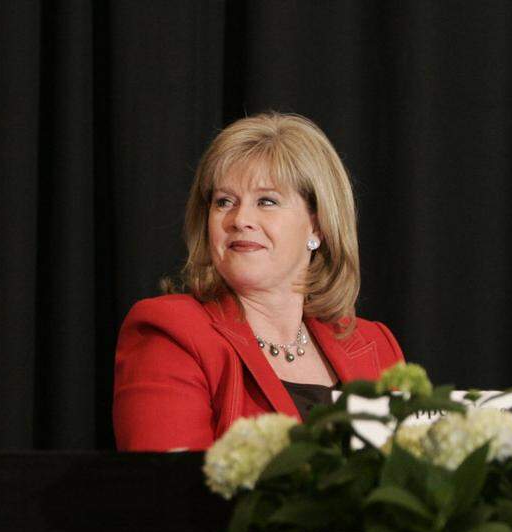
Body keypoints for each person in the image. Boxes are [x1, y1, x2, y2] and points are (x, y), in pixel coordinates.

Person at [113, 112, 403, 452]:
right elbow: (169, 494)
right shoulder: (173, 333)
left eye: (267, 201)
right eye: (224, 202)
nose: (241, 219)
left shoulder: (375, 345)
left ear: (318, 225)